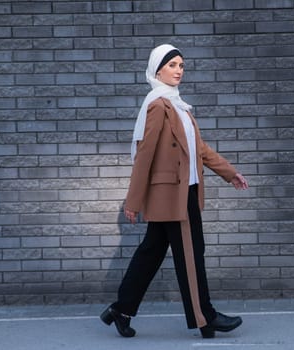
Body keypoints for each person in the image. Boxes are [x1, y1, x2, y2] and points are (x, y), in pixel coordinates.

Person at [100, 44, 249, 339]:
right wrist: (134, 200)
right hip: (173, 196)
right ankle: (205, 318)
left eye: (181, 65)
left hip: (185, 191)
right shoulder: (158, 105)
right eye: (172, 65)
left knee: (151, 253)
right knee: (191, 255)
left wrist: (229, 173)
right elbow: (144, 154)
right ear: (157, 70)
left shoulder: (179, 106)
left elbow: (199, 149)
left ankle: (121, 309)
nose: (178, 70)